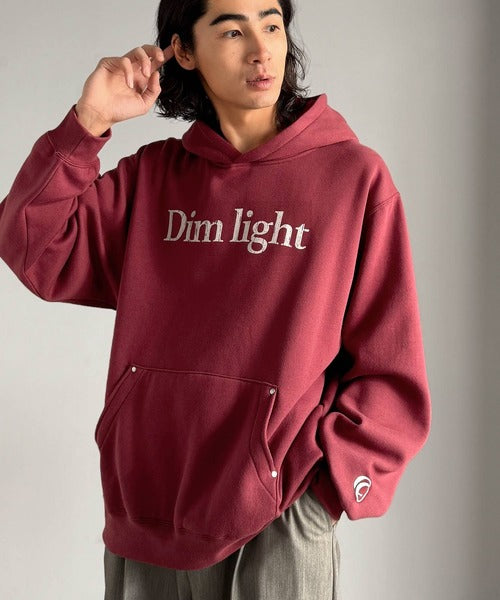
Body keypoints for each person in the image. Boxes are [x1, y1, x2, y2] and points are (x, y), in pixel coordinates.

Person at [0, 0, 433, 598]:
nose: (261, 50)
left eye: (272, 25)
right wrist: (88, 122)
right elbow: (30, 242)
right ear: (184, 50)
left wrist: (325, 495)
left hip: (276, 522)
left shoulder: (353, 180)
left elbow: (390, 365)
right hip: (147, 518)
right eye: (232, 30)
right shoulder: (153, 178)